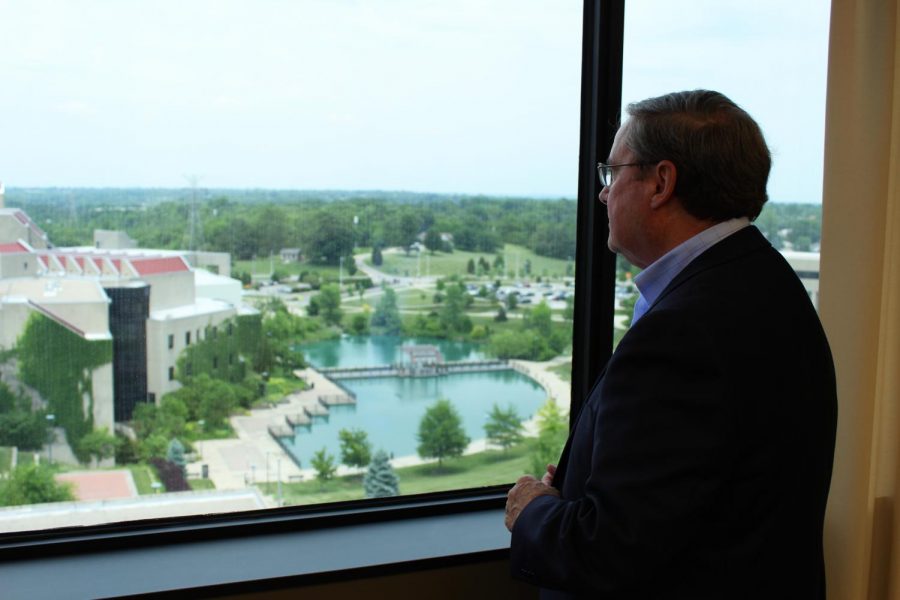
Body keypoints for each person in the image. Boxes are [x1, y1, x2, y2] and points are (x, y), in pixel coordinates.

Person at [505, 90, 837, 599]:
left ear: (661, 182)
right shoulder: (767, 282)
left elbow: (609, 551)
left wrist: (534, 510)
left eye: (612, 173)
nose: (602, 193)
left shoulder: (685, 330)